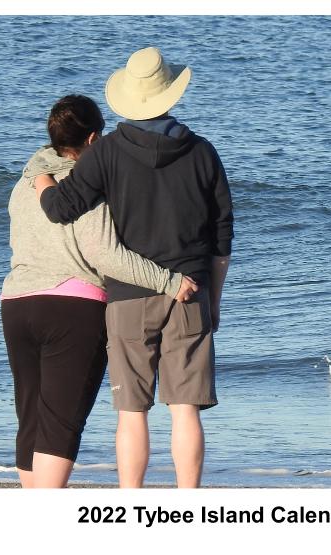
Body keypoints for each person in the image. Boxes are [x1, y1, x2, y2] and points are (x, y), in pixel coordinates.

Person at [32, 47, 232, 488]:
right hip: (191, 289)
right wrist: (213, 301)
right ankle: (188, 502)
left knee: (131, 410)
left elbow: (62, 209)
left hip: (127, 294)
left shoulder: (107, 153)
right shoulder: (202, 152)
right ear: (170, 96)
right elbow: (221, 238)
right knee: (185, 409)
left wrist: (42, 181)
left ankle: (130, 502)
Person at [1, 94, 198, 488]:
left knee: (31, 418)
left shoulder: (26, 182)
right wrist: (169, 281)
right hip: (72, 308)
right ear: (94, 139)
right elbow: (105, 255)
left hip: (16, 303)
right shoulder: (87, 185)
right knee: (60, 422)